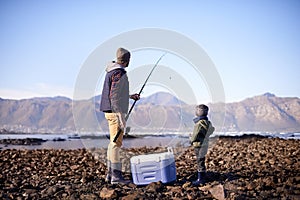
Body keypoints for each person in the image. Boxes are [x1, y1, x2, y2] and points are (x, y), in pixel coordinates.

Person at [100, 47, 140, 184]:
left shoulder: (111, 71)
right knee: (116, 144)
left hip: (110, 112)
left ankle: (110, 175)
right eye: (129, 59)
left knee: (112, 143)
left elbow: (115, 94)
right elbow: (114, 97)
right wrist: (121, 117)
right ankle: (116, 177)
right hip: (115, 113)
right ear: (126, 60)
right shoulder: (119, 73)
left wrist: (129, 96)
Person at [190, 104, 215, 185]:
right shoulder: (208, 122)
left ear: (198, 112)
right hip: (205, 144)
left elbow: (195, 135)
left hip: (198, 145)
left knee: (200, 161)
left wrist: (191, 140)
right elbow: (211, 130)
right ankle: (202, 177)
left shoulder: (199, 124)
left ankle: (201, 179)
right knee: (202, 160)